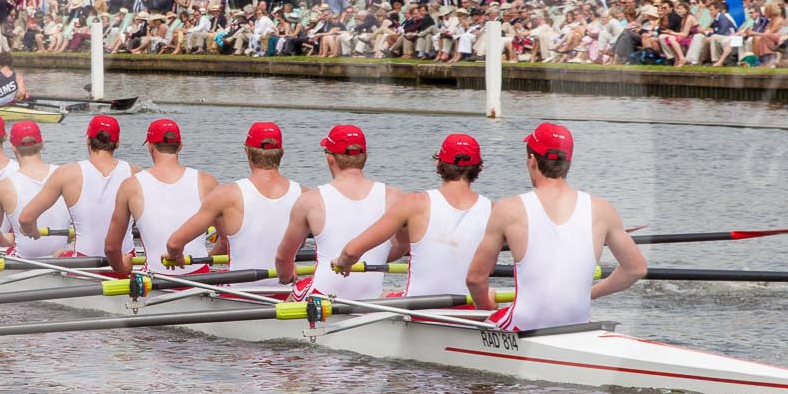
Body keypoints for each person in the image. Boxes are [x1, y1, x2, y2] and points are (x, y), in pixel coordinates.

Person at [466, 122, 646, 330]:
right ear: (568, 161)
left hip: (523, 326)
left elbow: (475, 278)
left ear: (531, 160)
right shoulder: (602, 209)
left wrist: (486, 310)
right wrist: (589, 294)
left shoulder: (508, 209)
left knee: (488, 317)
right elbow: (636, 269)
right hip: (578, 325)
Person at [331, 133, 489, 297]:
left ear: (438, 163)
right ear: (479, 168)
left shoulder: (414, 203)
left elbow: (351, 252)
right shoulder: (493, 210)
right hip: (471, 311)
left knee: (379, 295)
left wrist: (343, 263)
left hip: (417, 311)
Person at [162, 121, 302, 290]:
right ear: (281, 153)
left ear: (247, 152)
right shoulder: (305, 195)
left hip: (239, 296)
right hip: (288, 295)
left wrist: (174, 256)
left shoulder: (225, 195)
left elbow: (174, 244)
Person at [274, 123, 402, 301]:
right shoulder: (396, 197)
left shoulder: (310, 200)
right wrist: (373, 256)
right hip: (373, 299)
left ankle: (282, 326)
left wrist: (286, 278)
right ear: (364, 157)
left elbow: (282, 258)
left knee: (300, 286)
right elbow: (403, 246)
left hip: (323, 298)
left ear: (330, 158)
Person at [104, 118, 216, 279]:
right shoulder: (208, 182)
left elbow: (111, 248)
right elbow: (226, 242)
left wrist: (122, 268)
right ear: (180, 145)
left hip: (155, 278)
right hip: (201, 278)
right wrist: (207, 257)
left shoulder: (130, 185)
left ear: (150, 147)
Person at [20, 114, 134, 258]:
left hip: (83, 265)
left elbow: (25, 219)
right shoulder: (136, 174)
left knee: (59, 253)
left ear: (87, 140)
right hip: (127, 263)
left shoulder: (66, 173)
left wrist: (31, 231)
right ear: (117, 143)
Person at [0, 120, 70, 257]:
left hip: (25, 261)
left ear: (13, 147)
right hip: (62, 258)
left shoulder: (2, 186)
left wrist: (8, 241)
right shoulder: (66, 175)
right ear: (42, 144)